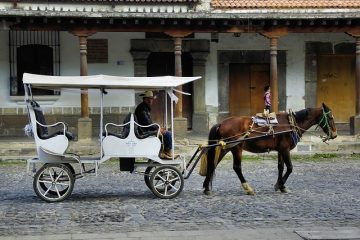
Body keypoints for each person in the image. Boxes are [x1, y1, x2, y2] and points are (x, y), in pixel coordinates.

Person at [134, 90, 178, 160]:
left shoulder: (144, 107)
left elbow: (148, 122)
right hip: (143, 131)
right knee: (168, 134)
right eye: (148, 99)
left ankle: (164, 152)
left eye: (151, 99)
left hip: (144, 129)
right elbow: (148, 123)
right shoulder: (142, 109)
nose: (150, 100)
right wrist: (158, 128)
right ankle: (166, 152)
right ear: (144, 99)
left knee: (166, 132)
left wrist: (158, 127)